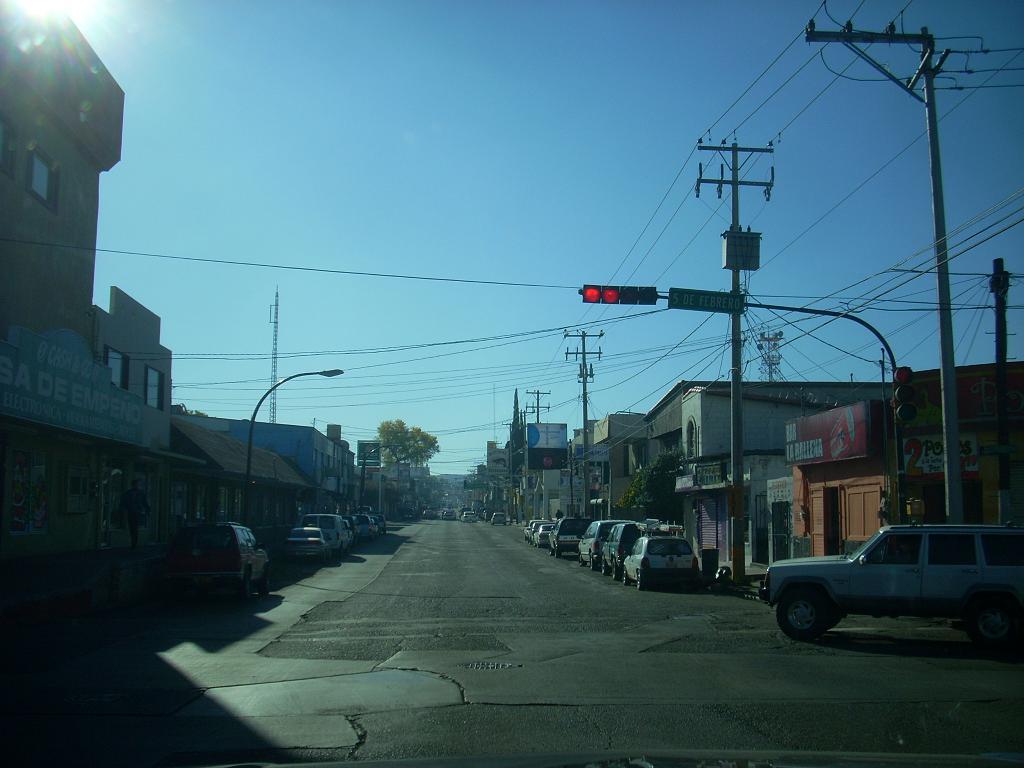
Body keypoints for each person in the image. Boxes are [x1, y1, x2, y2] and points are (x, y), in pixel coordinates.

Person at [119, 479, 150, 549]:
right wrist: (122, 509)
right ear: (133, 485)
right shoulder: (128, 493)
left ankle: (134, 542)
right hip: (131, 512)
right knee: (132, 527)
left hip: (137, 512)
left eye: (137, 484)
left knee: (135, 527)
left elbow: (144, 502)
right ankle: (133, 541)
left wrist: (147, 509)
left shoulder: (141, 493)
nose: (136, 486)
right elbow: (123, 502)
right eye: (135, 484)